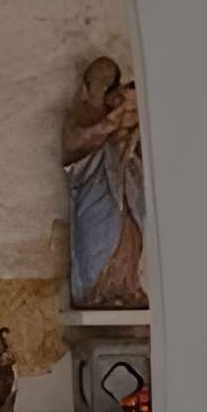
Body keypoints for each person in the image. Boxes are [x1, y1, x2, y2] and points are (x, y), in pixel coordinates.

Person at [62, 56, 147, 307]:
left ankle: (124, 286)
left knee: (128, 232)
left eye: (108, 82)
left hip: (121, 187)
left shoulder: (118, 117)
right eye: (98, 80)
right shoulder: (78, 116)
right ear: (87, 84)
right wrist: (111, 124)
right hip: (93, 189)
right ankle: (96, 289)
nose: (102, 86)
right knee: (97, 233)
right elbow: (75, 145)